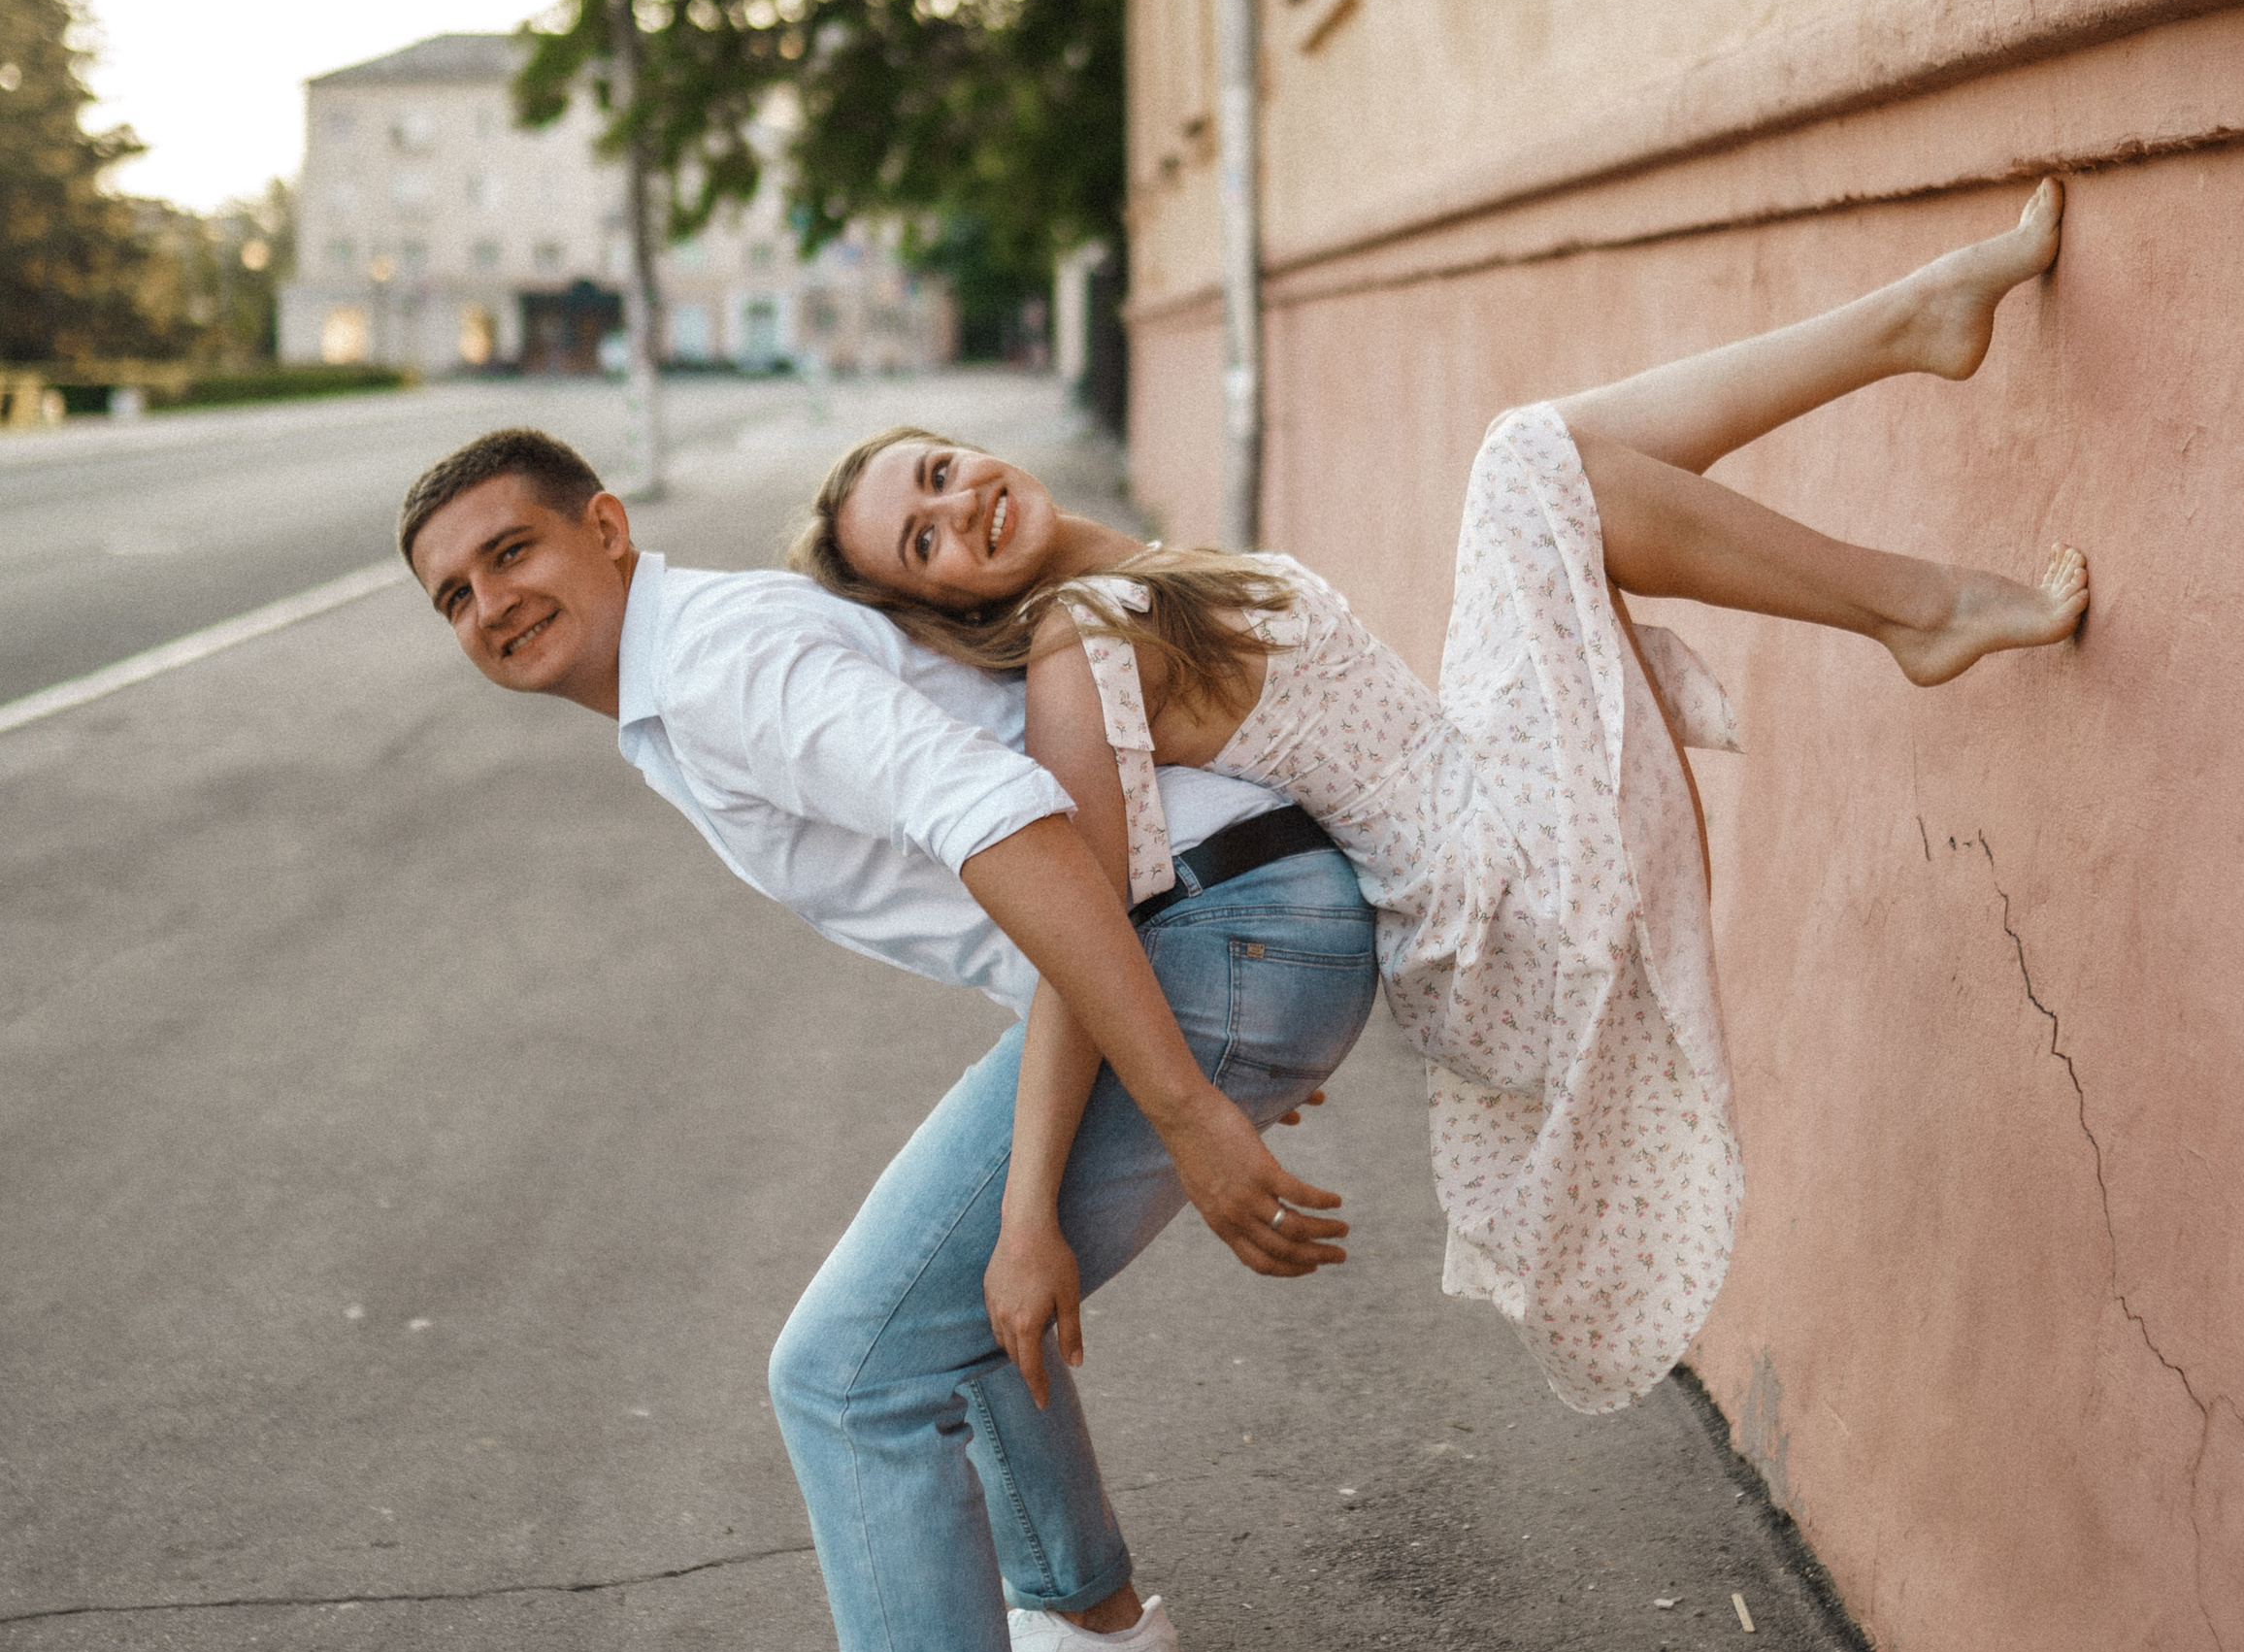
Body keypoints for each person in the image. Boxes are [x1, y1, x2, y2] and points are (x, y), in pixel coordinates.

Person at [398, 424, 1378, 1652]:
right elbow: (1034, 876)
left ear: (610, 528)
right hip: (1232, 917)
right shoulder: (685, 681)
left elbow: (1005, 821)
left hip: (1208, 928)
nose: (489, 603)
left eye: (513, 554)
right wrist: (1042, 1193)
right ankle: (1092, 1619)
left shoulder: (715, 663)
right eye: (452, 597)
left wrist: (1195, 1104)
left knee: (846, 1376)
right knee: (971, 1276)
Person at [811, 184, 2087, 1418]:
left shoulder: (1146, 573)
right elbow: (1077, 922)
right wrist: (1050, 1196)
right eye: (923, 543)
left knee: (1554, 461)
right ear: (953, 605)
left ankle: (1915, 345)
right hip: (1487, 913)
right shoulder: (1075, 649)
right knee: (1526, 463)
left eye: (934, 472)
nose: (954, 507)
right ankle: (1922, 579)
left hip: (1480, 797)